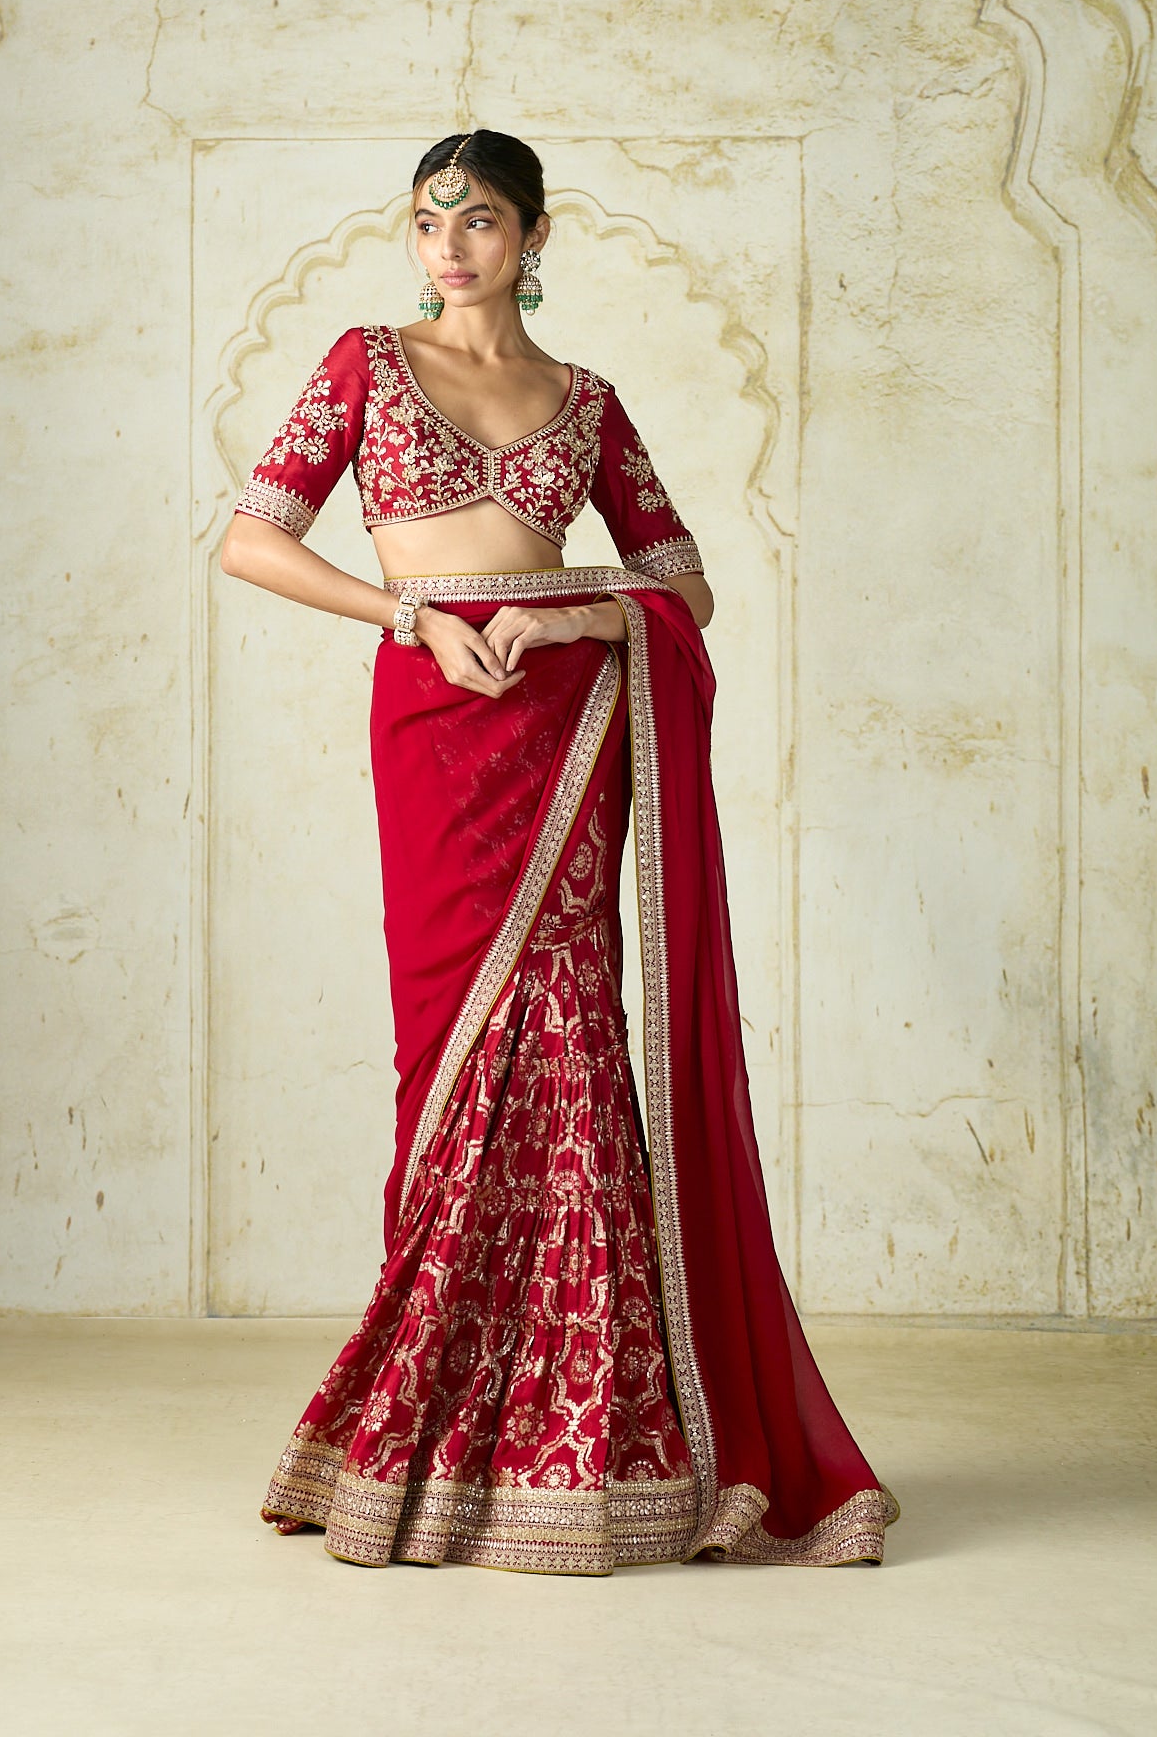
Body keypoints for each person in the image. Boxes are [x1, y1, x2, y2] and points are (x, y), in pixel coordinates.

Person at [219, 129, 898, 1574]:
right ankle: (428, 1414)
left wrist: (590, 614)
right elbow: (252, 543)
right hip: (433, 719)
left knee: (574, 1040)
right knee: (449, 1044)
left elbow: (682, 584)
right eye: (427, 221)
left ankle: (598, 1438)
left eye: (477, 220)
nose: (448, 246)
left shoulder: (585, 401)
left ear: (533, 236)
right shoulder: (364, 365)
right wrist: (409, 617)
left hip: (565, 727)